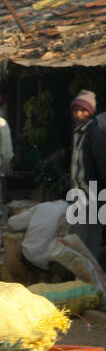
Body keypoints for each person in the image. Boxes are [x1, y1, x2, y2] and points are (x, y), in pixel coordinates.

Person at [67, 90, 106, 262]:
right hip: (79, 193)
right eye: (75, 110)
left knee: (84, 241)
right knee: (83, 241)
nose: (78, 114)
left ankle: (86, 281)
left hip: (91, 194)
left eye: (82, 110)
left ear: (90, 113)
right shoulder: (78, 133)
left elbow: (103, 165)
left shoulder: (94, 134)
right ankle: (85, 280)